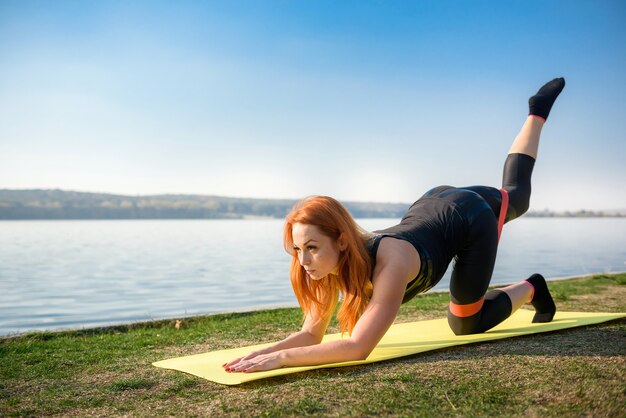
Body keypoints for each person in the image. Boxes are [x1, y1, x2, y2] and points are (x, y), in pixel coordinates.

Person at [223, 77, 566, 374]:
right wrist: (262, 353)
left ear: (341, 240)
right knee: (515, 196)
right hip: (432, 202)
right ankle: (536, 112)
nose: (303, 260)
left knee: (465, 323)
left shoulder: (391, 262)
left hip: (468, 219)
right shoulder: (324, 265)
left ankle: (532, 287)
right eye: (297, 249)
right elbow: (312, 334)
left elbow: (358, 347)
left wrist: (283, 359)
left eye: (311, 248)